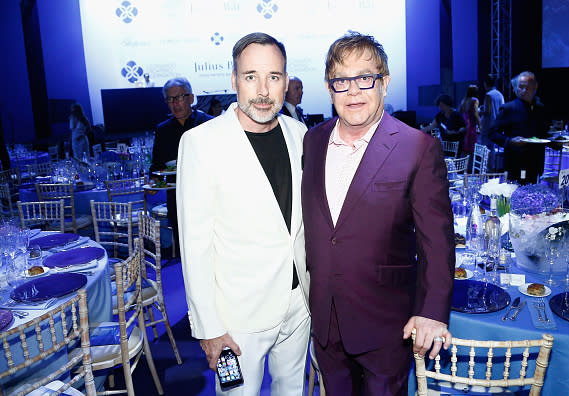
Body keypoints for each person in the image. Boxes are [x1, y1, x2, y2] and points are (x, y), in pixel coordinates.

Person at [301, 32, 454, 396]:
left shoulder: (418, 147)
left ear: (384, 82)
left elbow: (437, 240)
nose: (353, 91)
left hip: (386, 325)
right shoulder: (314, 140)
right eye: (341, 81)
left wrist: (433, 312)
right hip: (325, 319)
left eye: (364, 78)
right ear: (329, 87)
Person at [177, 32, 310, 396]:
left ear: (285, 80)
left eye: (274, 77)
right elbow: (195, 243)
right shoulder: (201, 143)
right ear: (234, 80)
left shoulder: (300, 134)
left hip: (299, 303)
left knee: (292, 391)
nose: (263, 90)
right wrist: (209, 327)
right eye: (251, 76)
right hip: (237, 317)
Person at [150, 77, 212, 256]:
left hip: (208, 197)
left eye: (179, 97)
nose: (175, 104)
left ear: (191, 98)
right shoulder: (162, 130)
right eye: (170, 99)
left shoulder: (209, 123)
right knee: (185, 249)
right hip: (178, 199)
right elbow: (156, 165)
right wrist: (153, 183)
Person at [487, 71, 552, 184]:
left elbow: (543, 135)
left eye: (527, 87)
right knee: (516, 197)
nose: (523, 91)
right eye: (521, 87)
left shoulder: (540, 108)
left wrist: (556, 143)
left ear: (535, 87)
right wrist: (510, 141)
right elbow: (492, 133)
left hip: (536, 162)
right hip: (516, 163)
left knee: (533, 197)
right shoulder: (509, 108)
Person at [480, 74, 504, 146]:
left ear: (485, 83)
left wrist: (480, 111)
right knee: (493, 147)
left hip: (488, 125)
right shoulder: (500, 94)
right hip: (497, 124)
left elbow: (488, 111)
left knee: (486, 148)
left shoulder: (489, 95)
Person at [459, 84, 481, 154]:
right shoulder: (475, 100)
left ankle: (466, 161)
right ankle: (471, 162)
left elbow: (460, 111)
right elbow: (475, 113)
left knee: (466, 144)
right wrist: (480, 125)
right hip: (471, 123)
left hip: (465, 122)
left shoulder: (464, 100)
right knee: (472, 146)